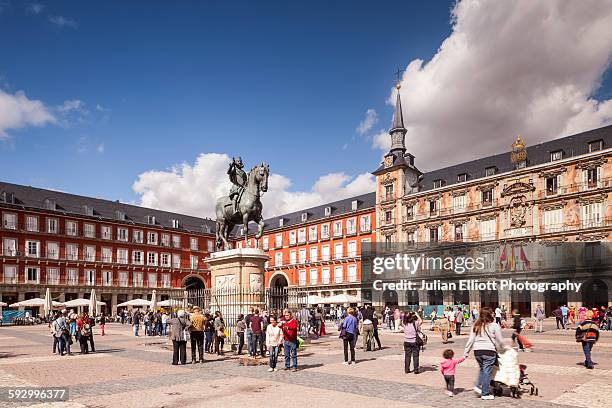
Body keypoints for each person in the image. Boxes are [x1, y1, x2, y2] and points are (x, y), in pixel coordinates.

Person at [464, 307, 505, 400]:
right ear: (490, 315)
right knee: (487, 372)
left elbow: (470, 340)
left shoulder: (476, 325)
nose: (494, 314)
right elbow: (500, 340)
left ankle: (478, 386)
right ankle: (485, 393)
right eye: (492, 313)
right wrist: (504, 348)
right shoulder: (494, 325)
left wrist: (466, 353)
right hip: (489, 351)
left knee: (482, 369)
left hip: (477, 352)